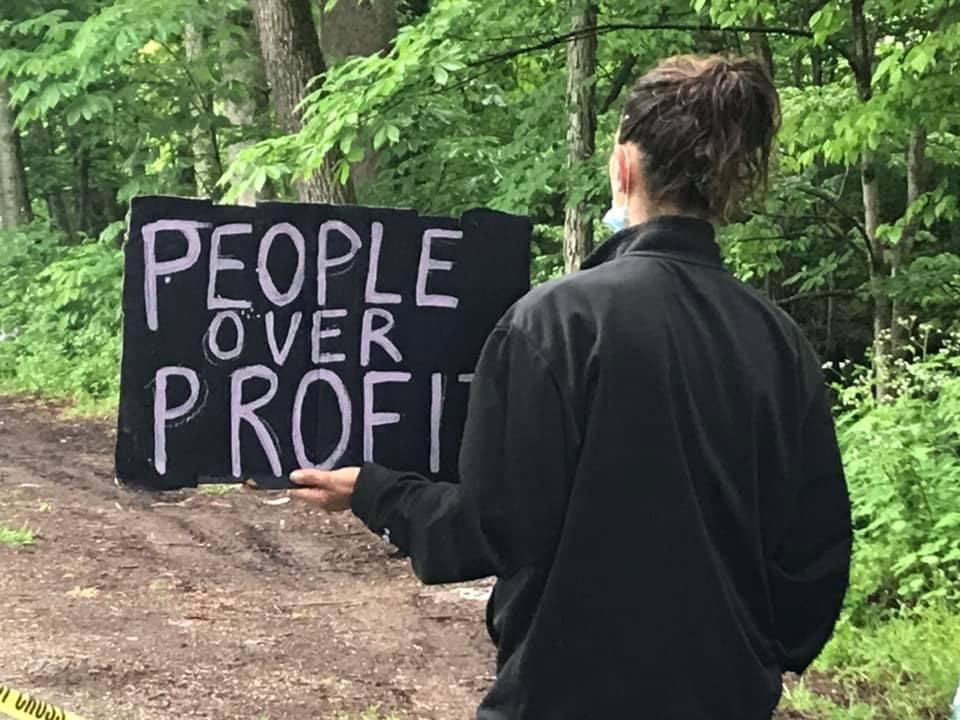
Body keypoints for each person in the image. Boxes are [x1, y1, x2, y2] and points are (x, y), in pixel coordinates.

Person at [289, 54, 852, 719]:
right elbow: (816, 558)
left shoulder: (553, 324)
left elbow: (488, 528)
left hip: (561, 697)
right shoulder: (778, 342)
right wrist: (751, 656)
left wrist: (377, 491)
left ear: (624, 168)